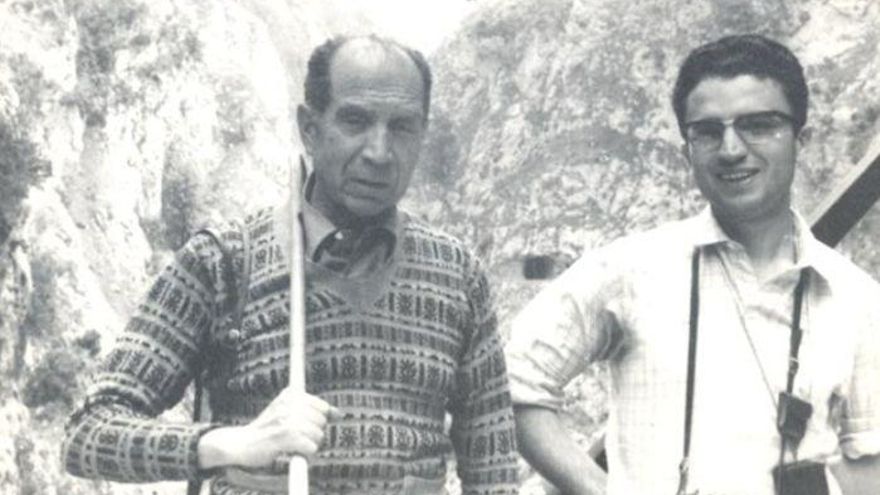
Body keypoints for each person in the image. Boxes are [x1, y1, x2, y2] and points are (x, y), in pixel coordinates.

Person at [61, 35, 519, 495]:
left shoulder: (459, 277)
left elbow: (495, 476)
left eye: (401, 127)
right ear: (310, 128)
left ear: (422, 135)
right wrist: (232, 443)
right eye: (355, 121)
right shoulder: (223, 261)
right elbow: (90, 432)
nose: (379, 152)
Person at [506, 34, 880, 495]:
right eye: (707, 131)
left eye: (758, 125)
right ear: (687, 151)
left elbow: (869, 462)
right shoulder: (628, 269)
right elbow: (512, 384)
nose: (731, 149)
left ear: (801, 139)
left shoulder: (858, 298)